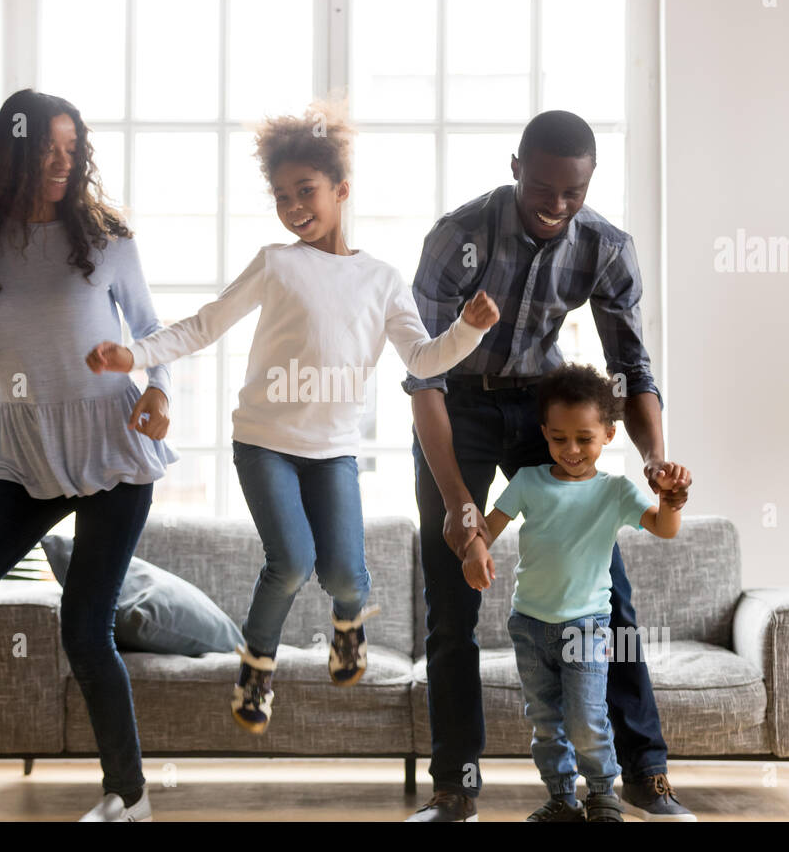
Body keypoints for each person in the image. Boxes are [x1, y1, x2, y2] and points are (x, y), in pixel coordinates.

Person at [87, 98, 499, 734]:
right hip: (264, 443)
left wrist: (466, 332)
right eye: (281, 196)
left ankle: (348, 625)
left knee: (345, 575)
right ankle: (256, 668)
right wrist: (134, 354)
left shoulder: (382, 279)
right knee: (291, 562)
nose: (293, 207)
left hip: (332, 450)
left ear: (341, 190)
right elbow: (205, 325)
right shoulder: (275, 264)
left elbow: (422, 357)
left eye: (305, 191)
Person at [405, 110, 695, 822]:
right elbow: (424, 380)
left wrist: (654, 459)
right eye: (542, 188)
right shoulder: (457, 237)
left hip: (543, 410)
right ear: (515, 167)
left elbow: (630, 368)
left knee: (609, 596)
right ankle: (455, 787)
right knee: (453, 600)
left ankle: (644, 773)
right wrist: (457, 504)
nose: (556, 206)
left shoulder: (605, 245)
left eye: (573, 192)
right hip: (459, 407)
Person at [0, 88, 174, 822]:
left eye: (72, 150)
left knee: (84, 628)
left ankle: (128, 796)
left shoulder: (106, 237)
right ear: (16, 152)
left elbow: (153, 331)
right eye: (48, 150)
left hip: (113, 446)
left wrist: (159, 391)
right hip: (26, 454)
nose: (63, 164)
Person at [461, 364, 687, 821]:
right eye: (559, 438)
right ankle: (561, 799)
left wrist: (670, 499)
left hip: (586, 627)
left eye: (585, 438)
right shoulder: (528, 481)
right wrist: (474, 548)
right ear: (544, 432)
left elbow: (664, 529)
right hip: (528, 624)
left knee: (586, 720)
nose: (572, 449)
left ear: (608, 434)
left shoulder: (616, 491)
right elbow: (489, 526)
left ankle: (603, 793)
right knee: (546, 724)